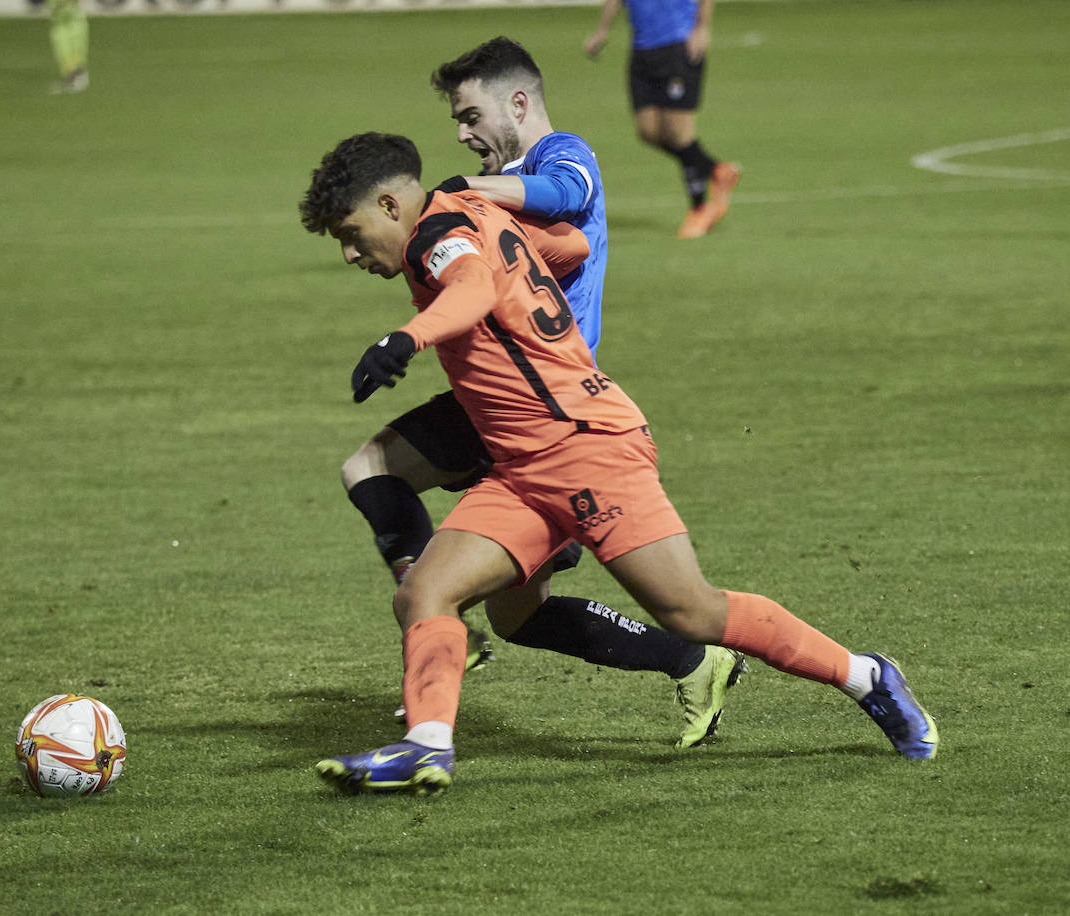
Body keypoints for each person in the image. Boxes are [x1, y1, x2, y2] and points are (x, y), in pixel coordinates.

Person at [299, 132, 938, 794]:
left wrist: (406, 337)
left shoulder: (438, 239)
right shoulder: (472, 214)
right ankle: (425, 745)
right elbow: (569, 248)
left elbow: (471, 286)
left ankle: (867, 675)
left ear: (389, 202)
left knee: (692, 613)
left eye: (352, 232)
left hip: (587, 450)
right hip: (522, 470)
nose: (349, 252)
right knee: (426, 593)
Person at [338, 37, 745, 749]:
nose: (462, 135)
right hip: (504, 405)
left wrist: (458, 194)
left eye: (471, 116)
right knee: (517, 616)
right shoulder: (481, 195)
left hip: (550, 411)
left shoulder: (564, 156)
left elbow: (568, 197)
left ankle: (440, 629)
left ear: (518, 103)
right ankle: (691, 660)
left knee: (375, 471)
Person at [585, 0, 740, 238]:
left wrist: (702, 27)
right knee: (648, 131)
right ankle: (717, 171)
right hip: (642, 50)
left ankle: (699, 209)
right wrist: (601, 30)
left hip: (678, 45)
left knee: (679, 133)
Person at [46, 0, 89, 94]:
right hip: (60, 22)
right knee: (62, 47)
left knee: (72, 45)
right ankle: (72, 75)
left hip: (72, 21)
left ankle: (76, 74)